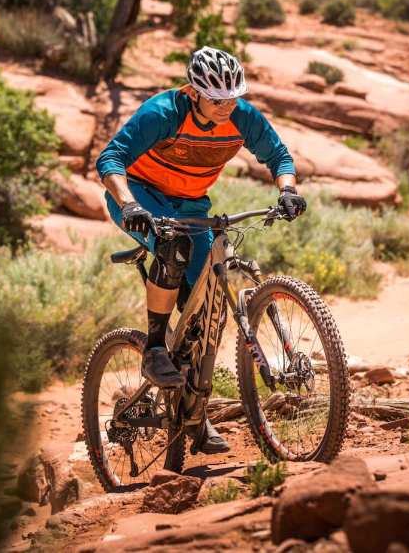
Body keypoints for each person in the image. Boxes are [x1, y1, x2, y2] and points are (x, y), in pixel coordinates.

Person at [95, 46, 306, 454]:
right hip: (141, 197)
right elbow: (111, 159)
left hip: (191, 205)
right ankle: (155, 349)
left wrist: (288, 190)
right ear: (193, 92)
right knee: (172, 248)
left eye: (232, 98)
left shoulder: (241, 117)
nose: (226, 107)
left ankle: (194, 411)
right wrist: (130, 204)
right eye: (216, 100)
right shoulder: (163, 113)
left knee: (209, 308)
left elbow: (278, 156)